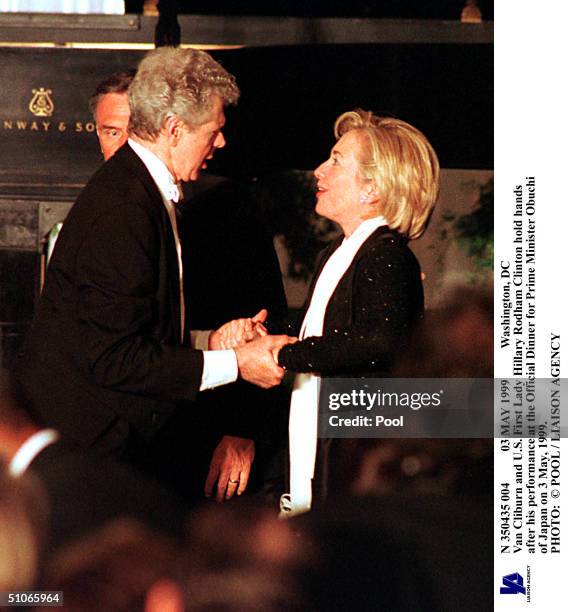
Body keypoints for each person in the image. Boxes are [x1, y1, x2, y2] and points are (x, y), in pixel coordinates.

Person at [14, 48, 292, 487]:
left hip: (107, 449)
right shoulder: (125, 207)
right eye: (215, 130)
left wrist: (214, 341)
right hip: (87, 457)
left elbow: (134, 330)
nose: (221, 143)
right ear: (175, 129)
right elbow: (117, 359)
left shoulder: (145, 192)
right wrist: (236, 364)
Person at [87, 69, 289, 504]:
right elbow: (116, 352)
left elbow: (266, 311)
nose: (123, 145)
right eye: (110, 131)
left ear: (165, 128)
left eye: (131, 130)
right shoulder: (113, 206)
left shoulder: (224, 203)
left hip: (205, 435)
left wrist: (243, 429)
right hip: (132, 442)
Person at [274, 109, 440, 516]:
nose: (319, 170)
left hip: (351, 458)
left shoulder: (386, 256)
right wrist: (264, 335)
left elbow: (378, 341)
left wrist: (282, 354)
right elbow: (324, 329)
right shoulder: (341, 252)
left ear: (373, 189)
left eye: (335, 160)